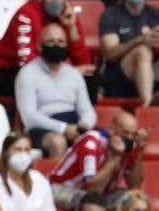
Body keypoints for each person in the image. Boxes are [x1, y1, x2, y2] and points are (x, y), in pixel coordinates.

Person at [0, 0, 94, 98]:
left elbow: (84, 62)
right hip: (8, 72)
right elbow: (27, 63)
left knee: (89, 78)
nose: (55, 0)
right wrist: (69, 73)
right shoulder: (25, 14)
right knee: (31, 79)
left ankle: (81, 116)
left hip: (51, 70)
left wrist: (72, 28)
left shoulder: (68, 15)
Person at [14, 22, 97, 159]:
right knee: (57, 141)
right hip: (42, 128)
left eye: (60, 42)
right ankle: (56, 180)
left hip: (74, 124)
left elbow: (87, 109)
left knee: (100, 140)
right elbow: (29, 117)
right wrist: (63, 128)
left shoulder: (74, 74)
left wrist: (84, 125)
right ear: (39, 46)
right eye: (51, 41)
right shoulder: (27, 74)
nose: (56, 45)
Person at [47, 108, 148, 211]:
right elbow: (92, 186)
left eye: (133, 134)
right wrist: (114, 157)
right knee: (90, 202)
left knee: (134, 199)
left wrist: (139, 152)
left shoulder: (129, 146)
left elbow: (135, 185)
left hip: (99, 195)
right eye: (126, 133)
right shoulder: (91, 142)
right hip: (62, 188)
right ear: (111, 129)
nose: (130, 138)